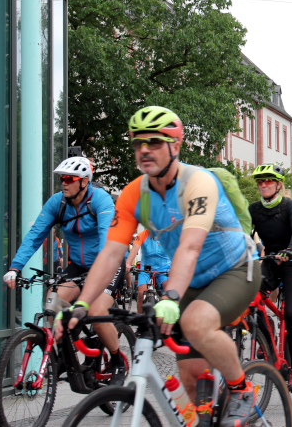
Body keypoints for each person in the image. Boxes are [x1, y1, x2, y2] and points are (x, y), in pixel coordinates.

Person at [55, 106, 259, 427]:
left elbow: (190, 246)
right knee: (190, 379)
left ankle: (241, 388)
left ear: (175, 146)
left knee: (196, 322)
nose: (144, 150)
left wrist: (171, 296)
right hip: (190, 281)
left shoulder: (198, 183)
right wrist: (81, 304)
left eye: (155, 142)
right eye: (138, 143)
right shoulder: (134, 193)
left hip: (234, 270)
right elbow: (110, 254)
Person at [3, 157, 127, 384]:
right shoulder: (57, 203)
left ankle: (118, 359)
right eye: (62, 178)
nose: (64, 183)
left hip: (108, 262)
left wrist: (97, 277)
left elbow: (106, 242)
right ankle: (64, 357)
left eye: (69, 178)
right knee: (53, 302)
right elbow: (35, 236)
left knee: (97, 312)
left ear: (84, 182)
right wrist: (15, 267)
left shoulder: (100, 199)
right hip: (78, 265)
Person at [249, 163, 292, 392]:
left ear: (278, 184)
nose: (263, 185)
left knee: (291, 312)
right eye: (260, 181)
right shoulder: (254, 209)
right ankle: (268, 344)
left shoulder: (291, 206)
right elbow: (242, 231)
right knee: (251, 297)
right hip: (272, 260)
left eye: (268, 181)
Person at [131, 229, 171, 313]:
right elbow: (134, 249)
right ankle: (140, 317)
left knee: (167, 289)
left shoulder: (167, 235)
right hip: (146, 268)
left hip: (163, 268)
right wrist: (128, 263)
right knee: (141, 293)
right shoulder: (142, 234)